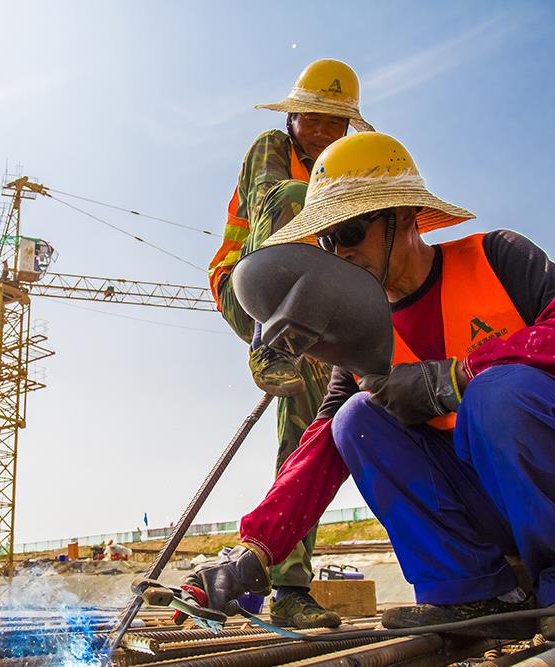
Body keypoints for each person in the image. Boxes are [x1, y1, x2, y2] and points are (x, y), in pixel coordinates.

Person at [188, 132, 555, 642]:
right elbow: (320, 449)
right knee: (355, 419)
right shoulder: (360, 337)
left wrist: (460, 376)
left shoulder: (496, 257)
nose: (341, 254)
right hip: (507, 505)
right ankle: (471, 593)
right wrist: (255, 550)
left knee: (498, 391)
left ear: (403, 218)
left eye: (351, 232)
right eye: (330, 241)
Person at [206, 59, 371, 628]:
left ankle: (291, 586)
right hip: (251, 286)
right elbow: (271, 204)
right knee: (296, 195)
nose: (326, 132)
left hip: (315, 311)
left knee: (313, 432)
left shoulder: (349, 171)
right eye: (316, 120)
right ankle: (269, 341)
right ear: (295, 114)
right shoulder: (271, 147)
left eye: (337, 124)